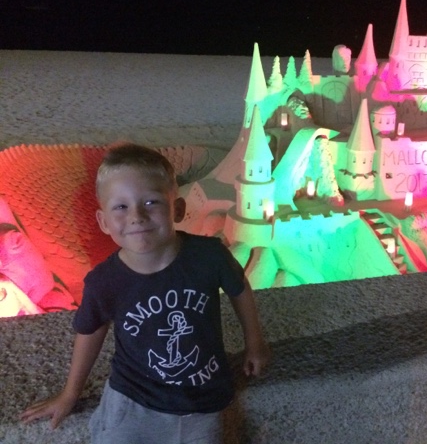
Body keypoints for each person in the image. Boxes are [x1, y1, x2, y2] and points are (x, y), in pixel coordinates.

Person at [21, 143, 270, 443]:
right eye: (121, 207)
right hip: (132, 399)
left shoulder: (209, 256)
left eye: (151, 202)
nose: (137, 216)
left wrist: (255, 344)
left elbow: (239, 288)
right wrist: (70, 393)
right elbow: (90, 331)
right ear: (103, 221)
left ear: (178, 209)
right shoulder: (105, 281)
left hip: (204, 398)